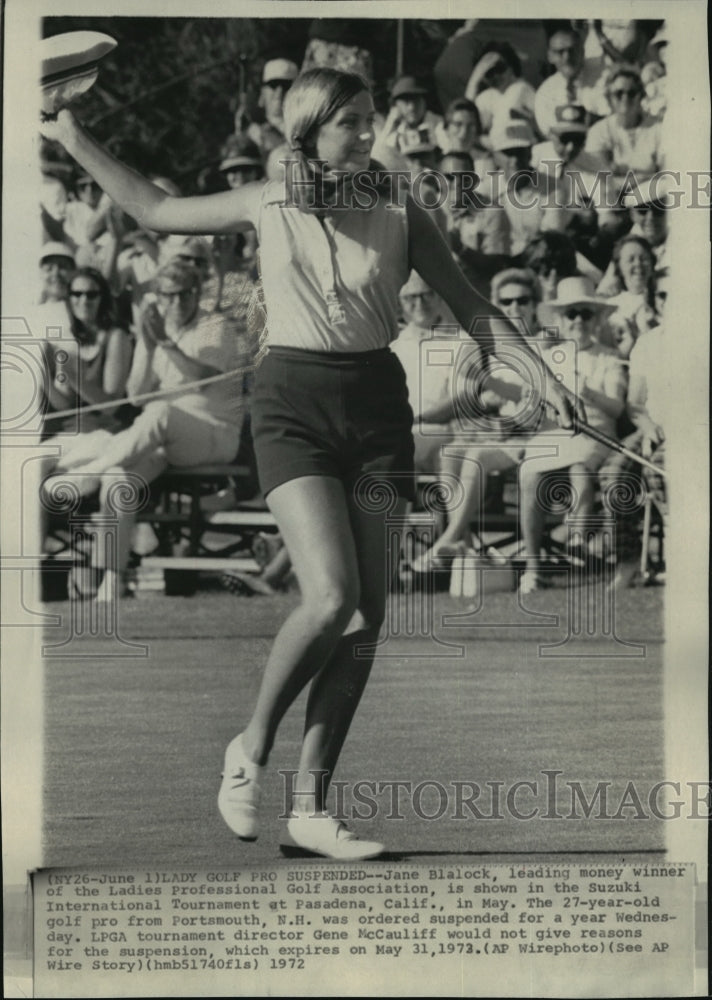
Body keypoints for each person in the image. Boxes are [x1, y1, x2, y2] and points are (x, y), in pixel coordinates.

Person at [41, 67, 579, 859]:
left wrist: (542, 375)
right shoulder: (269, 198)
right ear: (308, 130)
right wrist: (68, 135)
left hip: (375, 407)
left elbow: (471, 304)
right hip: (291, 401)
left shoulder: (401, 205)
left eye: (371, 119)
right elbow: (150, 208)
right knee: (330, 597)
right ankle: (250, 746)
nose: (370, 134)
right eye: (352, 123)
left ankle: (311, 809)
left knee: (368, 618)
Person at [44, 259, 249, 602]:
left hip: (213, 433)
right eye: (168, 296)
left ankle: (89, 473)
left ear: (197, 293)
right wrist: (151, 345)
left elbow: (200, 380)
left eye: (184, 294)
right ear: (158, 297)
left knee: (160, 413)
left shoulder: (217, 326)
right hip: (164, 438)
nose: (177, 302)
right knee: (119, 478)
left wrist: (165, 343)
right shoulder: (155, 330)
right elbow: (137, 394)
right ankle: (113, 579)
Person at [413, 267, 547, 570]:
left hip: (536, 436)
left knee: (474, 455)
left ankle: (449, 538)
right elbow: (475, 400)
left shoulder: (546, 344)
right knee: (450, 451)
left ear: (535, 303)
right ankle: (463, 539)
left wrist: (493, 391)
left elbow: (542, 402)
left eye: (522, 300)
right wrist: (486, 406)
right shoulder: (493, 348)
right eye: (506, 302)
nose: (515, 308)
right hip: (500, 435)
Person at [517, 275, 625, 593]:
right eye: (571, 314)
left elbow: (617, 408)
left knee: (580, 469)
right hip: (556, 433)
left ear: (596, 319)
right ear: (562, 320)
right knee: (530, 476)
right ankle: (534, 569)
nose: (578, 320)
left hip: (596, 432)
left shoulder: (608, 357)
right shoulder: (550, 359)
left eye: (586, 313)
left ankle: (576, 542)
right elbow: (535, 408)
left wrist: (586, 390)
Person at [584, 65, 664, 183]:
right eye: (619, 93)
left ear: (641, 96)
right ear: (609, 97)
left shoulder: (658, 128)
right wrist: (641, 179)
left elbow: (669, 174)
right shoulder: (599, 131)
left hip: (653, 197)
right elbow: (599, 180)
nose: (625, 98)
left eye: (632, 93)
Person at [534, 22, 609, 140]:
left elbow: (615, 121)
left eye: (572, 50)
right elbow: (548, 133)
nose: (567, 57)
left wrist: (592, 120)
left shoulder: (605, 78)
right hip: (563, 150)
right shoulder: (545, 93)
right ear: (550, 56)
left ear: (583, 51)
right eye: (560, 52)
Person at [371, 74, 442, 171]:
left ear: (424, 101)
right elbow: (379, 156)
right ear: (396, 105)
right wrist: (390, 124)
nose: (412, 107)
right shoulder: (396, 129)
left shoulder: (438, 123)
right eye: (406, 102)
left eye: (416, 100)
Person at [246, 57, 299, 162]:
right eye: (273, 85)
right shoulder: (252, 135)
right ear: (262, 94)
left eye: (286, 86)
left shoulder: (308, 130)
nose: (279, 92)